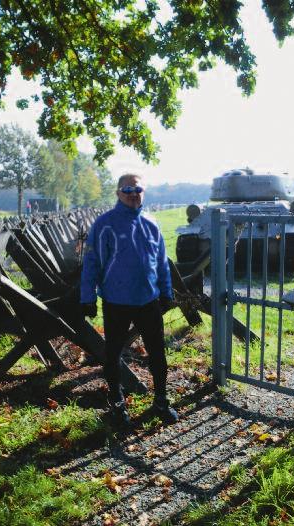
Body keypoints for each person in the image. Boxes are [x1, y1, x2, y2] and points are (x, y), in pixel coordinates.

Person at [80, 173, 178, 426]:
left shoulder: (151, 223)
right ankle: (117, 405)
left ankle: (161, 402)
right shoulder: (105, 224)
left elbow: (162, 264)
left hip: (148, 300)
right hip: (116, 301)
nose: (133, 193)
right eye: (127, 189)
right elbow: (91, 262)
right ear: (118, 193)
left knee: (157, 353)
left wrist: (167, 293)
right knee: (112, 354)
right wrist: (87, 297)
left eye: (138, 189)